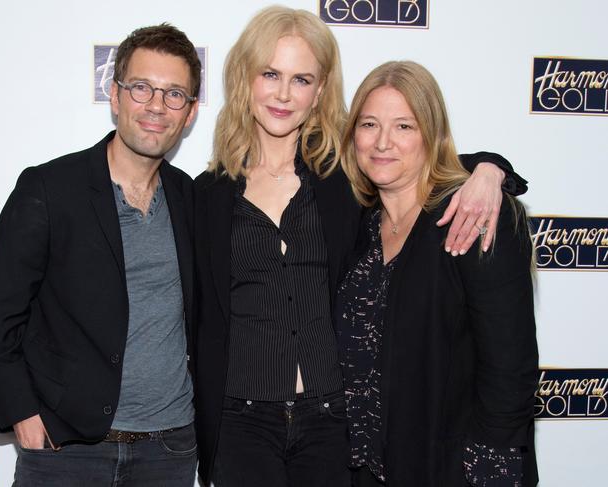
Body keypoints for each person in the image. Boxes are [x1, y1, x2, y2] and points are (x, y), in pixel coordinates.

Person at [193, 7, 525, 487]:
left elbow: (415, 160)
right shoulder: (207, 196)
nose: (284, 94)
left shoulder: (344, 183)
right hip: (241, 425)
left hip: (334, 427)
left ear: (321, 89)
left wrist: (490, 170)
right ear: (245, 78)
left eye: (302, 78)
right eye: (270, 74)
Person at [0, 24, 200, 487]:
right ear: (114, 96)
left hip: (170, 451)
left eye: (174, 94)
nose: (156, 106)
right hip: (67, 450)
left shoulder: (193, 199)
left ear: (190, 112)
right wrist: (23, 415)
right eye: (141, 88)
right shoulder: (49, 189)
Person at [336, 60, 539, 487]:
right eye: (369, 124)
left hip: (451, 468)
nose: (383, 142)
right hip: (364, 468)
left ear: (432, 134)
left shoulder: (473, 215)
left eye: (405, 127)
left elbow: (511, 370)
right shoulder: (359, 224)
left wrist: (490, 474)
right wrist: (489, 164)